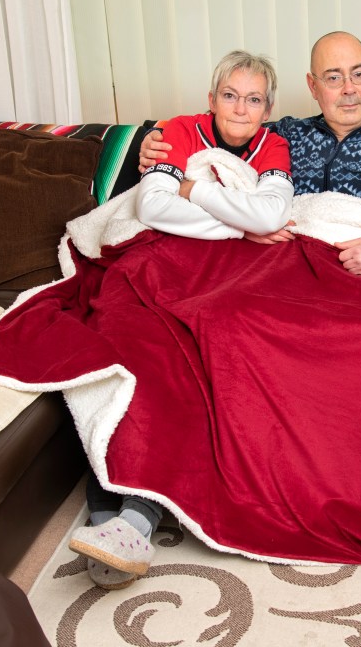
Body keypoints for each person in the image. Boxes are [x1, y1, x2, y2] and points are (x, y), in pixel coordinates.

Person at [70, 50, 292, 590]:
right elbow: (153, 210)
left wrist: (195, 190)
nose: (241, 107)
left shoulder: (276, 145)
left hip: (221, 272)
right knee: (122, 345)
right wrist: (239, 223)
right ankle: (115, 515)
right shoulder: (176, 130)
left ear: (267, 108)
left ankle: (131, 520)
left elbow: (272, 215)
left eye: (254, 98)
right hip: (156, 260)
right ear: (212, 98)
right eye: (231, 95)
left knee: (198, 350)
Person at [139, 31, 361, 278]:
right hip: (280, 271)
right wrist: (154, 140)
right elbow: (224, 128)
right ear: (313, 86)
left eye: (358, 75)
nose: (350, 89)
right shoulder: (283, 135)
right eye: (334, 78)